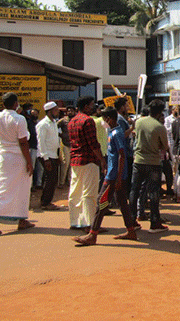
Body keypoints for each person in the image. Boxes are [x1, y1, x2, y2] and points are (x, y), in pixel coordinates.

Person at [72, 107, 138, 246]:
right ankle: (131, 230)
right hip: (115, 173)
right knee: (122, 202)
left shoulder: (116, 133)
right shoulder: (114, 131)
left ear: (109, 119)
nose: (102, 122)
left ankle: (92, 234)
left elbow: (121, 155)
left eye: (104, 119)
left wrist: (118, 177)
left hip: (114, 175)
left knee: (101, 202)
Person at [0, 93, 35, 236]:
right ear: (16, 104)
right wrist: (29, 161)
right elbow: (23, 142)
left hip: (4, 157)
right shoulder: (19, 119)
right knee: (22, 188)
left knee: (0, 187)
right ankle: (21, 220)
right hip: (18, 157)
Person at [129, 99, 170, 233]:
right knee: (153, 193)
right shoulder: (159, 127)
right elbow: (165, 146)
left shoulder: (139, 122)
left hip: (138, 161)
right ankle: (154, 222)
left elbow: (135, 136)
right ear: (160, 112)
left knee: (134, 191)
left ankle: (131, 221)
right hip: (153, 162)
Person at [68, 96, 106, 230]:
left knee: (75, 192)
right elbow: (93, 143)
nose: (93, 107)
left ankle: (76, 221)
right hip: (89, 160)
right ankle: (90, 224)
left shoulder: (72, 121)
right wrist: (102, 160)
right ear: (85, 107)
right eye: (91, 105)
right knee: (89, 193)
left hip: (75, 160)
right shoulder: (88, 121)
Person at [36, 101, 61, 210]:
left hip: (53, 154)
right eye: (55, 110)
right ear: (50, 111)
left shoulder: (54, 122)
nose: (57, 112)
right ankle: (45, 203)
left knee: (53, 179)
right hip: (46, 156)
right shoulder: (43, 124)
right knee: (50, 179)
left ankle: (47, 201)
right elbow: (41, 142)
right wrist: (46, 159)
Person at [57, 106, 76, 187]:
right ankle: (61, 182)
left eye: (71, 111)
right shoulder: (63, 120)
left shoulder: (76, 120)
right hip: (65, 144)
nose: (70, 112)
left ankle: (69, 181)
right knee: (65, 163)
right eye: (68, 111)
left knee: (72, 164)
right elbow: (54, 127)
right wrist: (60, 135)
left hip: (74, 145)